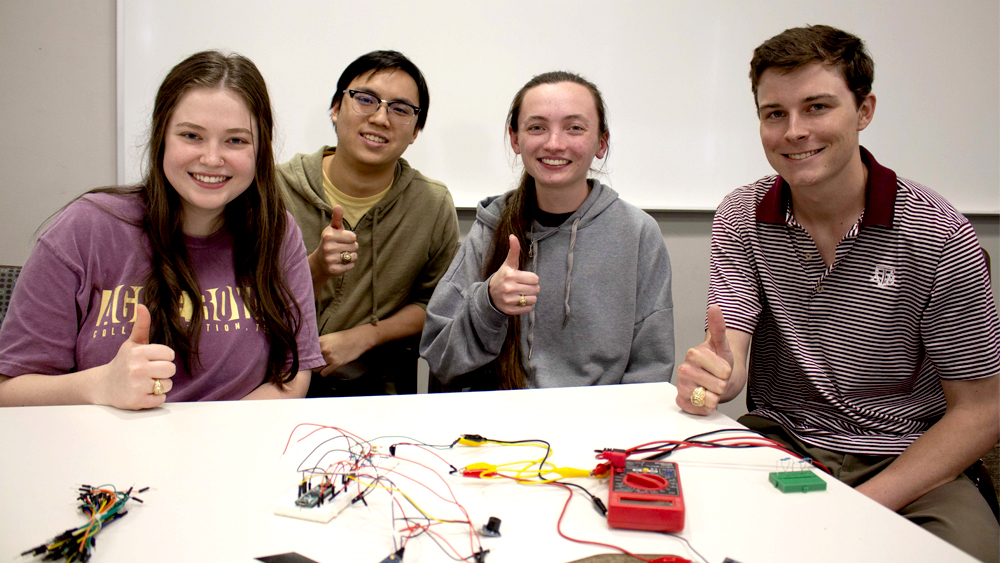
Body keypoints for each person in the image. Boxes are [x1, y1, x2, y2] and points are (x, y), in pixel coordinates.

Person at [675, 25, 999, 561]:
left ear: (864, 111)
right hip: (780, 445)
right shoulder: (741, 213)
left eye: (817, 107)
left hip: (908, 460)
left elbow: (982, 412)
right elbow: (729, 347)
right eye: (774, 113)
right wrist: (714, 377)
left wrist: (861, 506)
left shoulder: (940, 234)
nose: (794, 131)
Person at [0, 51, 324, 409]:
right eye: (191, 136)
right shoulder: (86, 228)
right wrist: (99, 386)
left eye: (236, 140)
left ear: (260, 149)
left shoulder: (276, 232)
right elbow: (9, 390)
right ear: (162, 138)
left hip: (231, 454)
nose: (212, 159)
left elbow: (292, 374)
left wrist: (212, 444)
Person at [420, 71, 674, 390]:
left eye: (575, 128)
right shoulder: (492, 226)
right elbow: (440, 357)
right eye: (537, 127)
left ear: (601, 142)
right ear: (515, 139)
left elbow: (651, 371)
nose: (554, 144)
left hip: (602, 427)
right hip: (503, 425)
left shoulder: (638, 234)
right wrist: (489, 302)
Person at [277, 50, 458, 396]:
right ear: (335, 108)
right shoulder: (273, 190)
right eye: (365, 99)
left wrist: (366, 336)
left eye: (401, 109)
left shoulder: (431, 205)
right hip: (274, 380)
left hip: (380, 390)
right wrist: (314, 268)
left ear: (416, 131)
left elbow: (436, 305)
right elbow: (240, 300)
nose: (380, 118)